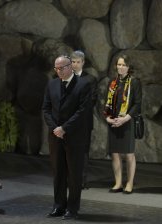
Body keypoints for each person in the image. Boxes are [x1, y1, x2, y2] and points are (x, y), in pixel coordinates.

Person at [42, 55, 91, 220]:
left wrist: (64, 128)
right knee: (58, 172)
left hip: (74, 137)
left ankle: (72, 208)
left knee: (74, 174)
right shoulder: (52, 83)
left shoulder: (83, 84)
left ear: (70, 67)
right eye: (56, 68)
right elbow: (46, 108)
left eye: (61, 68)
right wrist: (55, 128)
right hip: (55, 135)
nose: (58, 71)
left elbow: (83, 111)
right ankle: (59, 206)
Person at [104, 54, 142, 194]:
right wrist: (107, 117)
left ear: (129, 67)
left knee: (129, 154)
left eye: (123, 65)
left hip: (127, 122)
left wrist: (125, 118)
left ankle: (130, 183)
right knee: (115, 153)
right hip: (114, 121)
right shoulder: (112, 82)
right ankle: (118, 182)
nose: (120, 67)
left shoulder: (134, 82)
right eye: (119, 64)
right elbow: (106, 103)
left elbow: (137, 104)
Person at [71, 50, 98, 189]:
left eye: (78, 62)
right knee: (69, 151)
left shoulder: (90, 79)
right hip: (67, 122)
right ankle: (70, 179)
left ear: (83, 63)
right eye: (73, 62)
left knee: (83, 152)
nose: (75, 65)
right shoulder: (65, 78)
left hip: (83, 122)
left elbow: (92, 100)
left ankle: (81, 180)